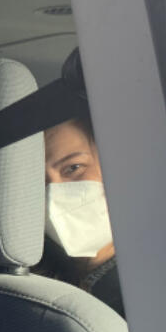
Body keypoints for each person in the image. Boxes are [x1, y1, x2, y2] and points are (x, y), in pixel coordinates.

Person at [39, 104, 123, 316]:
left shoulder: (158, 279)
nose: (53, 193)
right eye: (37, 181)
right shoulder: (30, 281)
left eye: (73, 168)